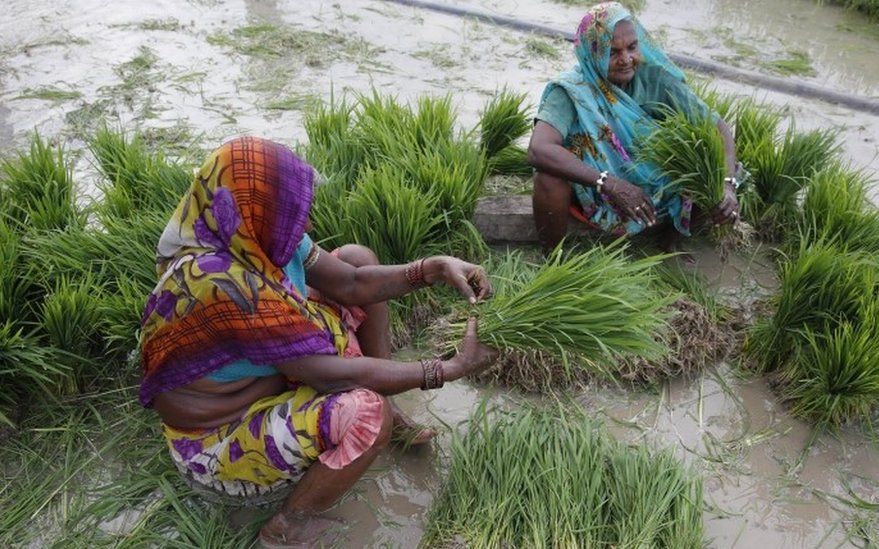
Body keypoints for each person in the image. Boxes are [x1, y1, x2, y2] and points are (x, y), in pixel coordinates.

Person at [137, 136, 499, 547]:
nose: (305, 225)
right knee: (366, 413)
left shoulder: (255, 232)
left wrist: (431, 268)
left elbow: (352, 281)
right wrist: (446, 369)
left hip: (268, 375)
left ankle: (393, 407)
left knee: (358, 257)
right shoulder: (222, 284)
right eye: (291, 213)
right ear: (254, 208)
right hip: (218, 441)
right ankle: (286, 526)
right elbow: (330, 376)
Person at [528, 2, 740, 251]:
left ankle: (670, 243)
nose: (626, 59)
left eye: (632, 47)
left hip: (652, 188)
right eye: (612, 52)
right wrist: (608, 183)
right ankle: (552, 258)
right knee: (548, 178)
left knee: (708, 162)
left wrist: (727, 185)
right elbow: (539, 149)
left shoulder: (656, 80)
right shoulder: (572, 90)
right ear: (592, 53)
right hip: (590, 189)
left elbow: (718, 128)